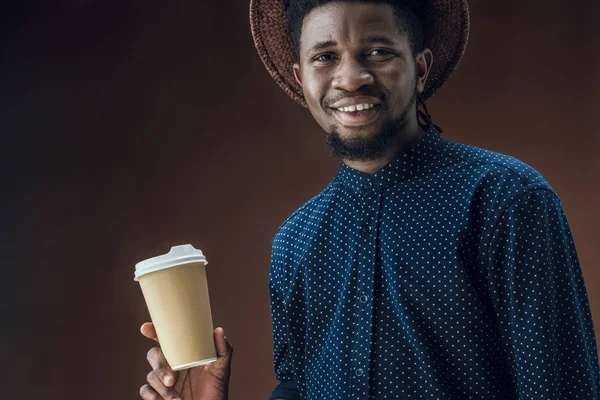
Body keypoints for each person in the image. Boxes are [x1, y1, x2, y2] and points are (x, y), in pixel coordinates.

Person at [139, 0, 600, 399]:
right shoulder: (295, 242)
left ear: (419, 68)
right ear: (301, 79)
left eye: (377, 52)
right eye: (325, 57)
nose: (351, 78)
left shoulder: (505, 200)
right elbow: (299, 388)